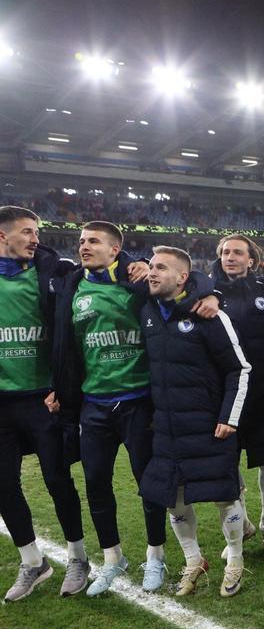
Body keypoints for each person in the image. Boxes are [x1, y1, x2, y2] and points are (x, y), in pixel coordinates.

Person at [49, 220, 217, 595]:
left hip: (138, 402)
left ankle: (155, 556)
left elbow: (193, 278)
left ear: (115, 250)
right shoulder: (72, 287)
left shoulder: (140, 284)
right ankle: (113, 559)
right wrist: (58, 388)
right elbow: (65, 346)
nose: (84, 246)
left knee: (150, 485)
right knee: (96, 483)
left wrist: (212, 293)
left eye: (93, 241)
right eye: (81, 241)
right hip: (93, 404)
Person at [138, 247, 252, 598]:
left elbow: (239, 369)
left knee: (223, 494)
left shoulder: (209, 314)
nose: (152, 273)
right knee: (173, 498)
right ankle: (194, 560)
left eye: (161, 268)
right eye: (151, 267)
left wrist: (229, 418)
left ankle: (234, 559)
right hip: (167, 427)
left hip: (209, 425)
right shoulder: (147, 310)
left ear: (182, 277)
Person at [0, 206, 88, 600]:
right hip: (2, 403)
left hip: (44, 399)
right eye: (27, 232)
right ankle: (33, 561)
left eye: (36, 231)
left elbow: (108, 263)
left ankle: (78, 556)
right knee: (3, 486)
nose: (36, 238)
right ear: (3, 237)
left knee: (57, 480)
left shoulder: (54, 270)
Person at [211, 234, 264, 554]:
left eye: (237, 253)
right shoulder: (207, 291)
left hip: (263, 389)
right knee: (228, 459)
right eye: (225, 252)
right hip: (226, 392)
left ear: (251, 259)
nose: (230, 257)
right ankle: (240, 525)